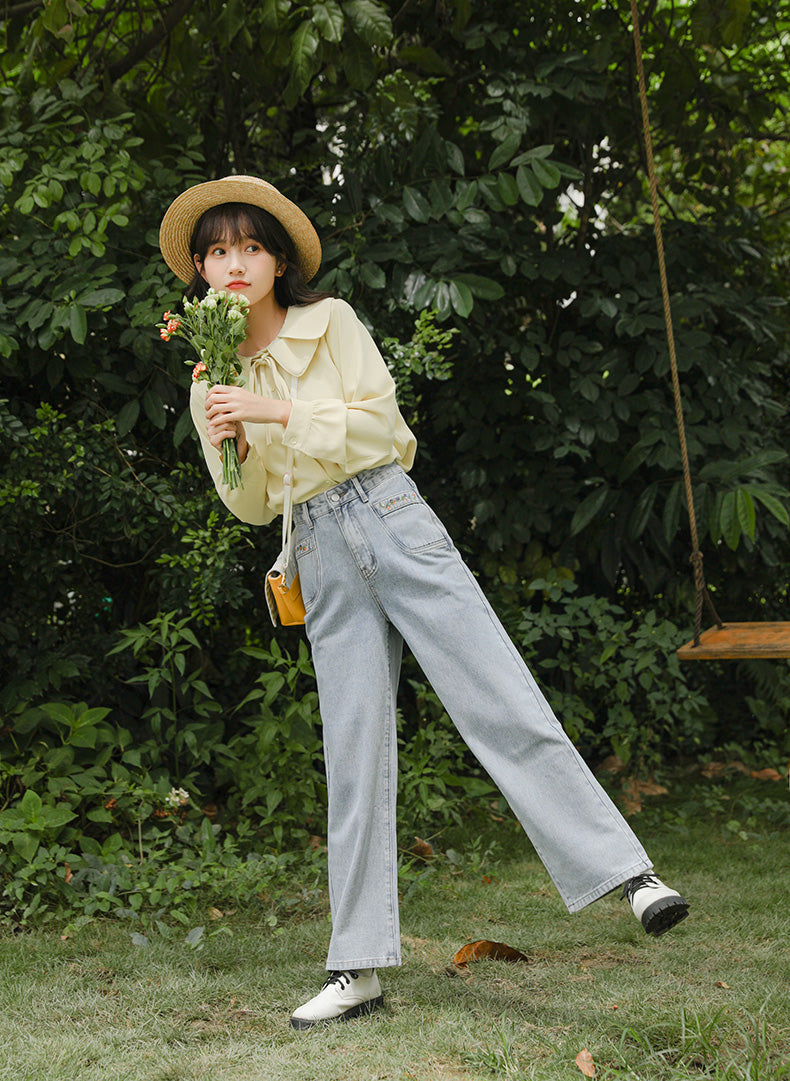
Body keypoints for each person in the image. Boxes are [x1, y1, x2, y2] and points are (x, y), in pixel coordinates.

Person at [158, 175, 689, 1030]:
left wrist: (274, 408)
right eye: (216, 250)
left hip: (390, 515)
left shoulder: (331, 323)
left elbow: (382, 428)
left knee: (497, 693)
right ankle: (356, 967)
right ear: (197, 268)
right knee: (354, 749)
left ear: (278, 258)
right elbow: (253, 506)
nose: (233, 263)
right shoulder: (209, 376)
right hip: (319, 551)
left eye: (249, 246)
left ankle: (632, 876)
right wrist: (232, 442)